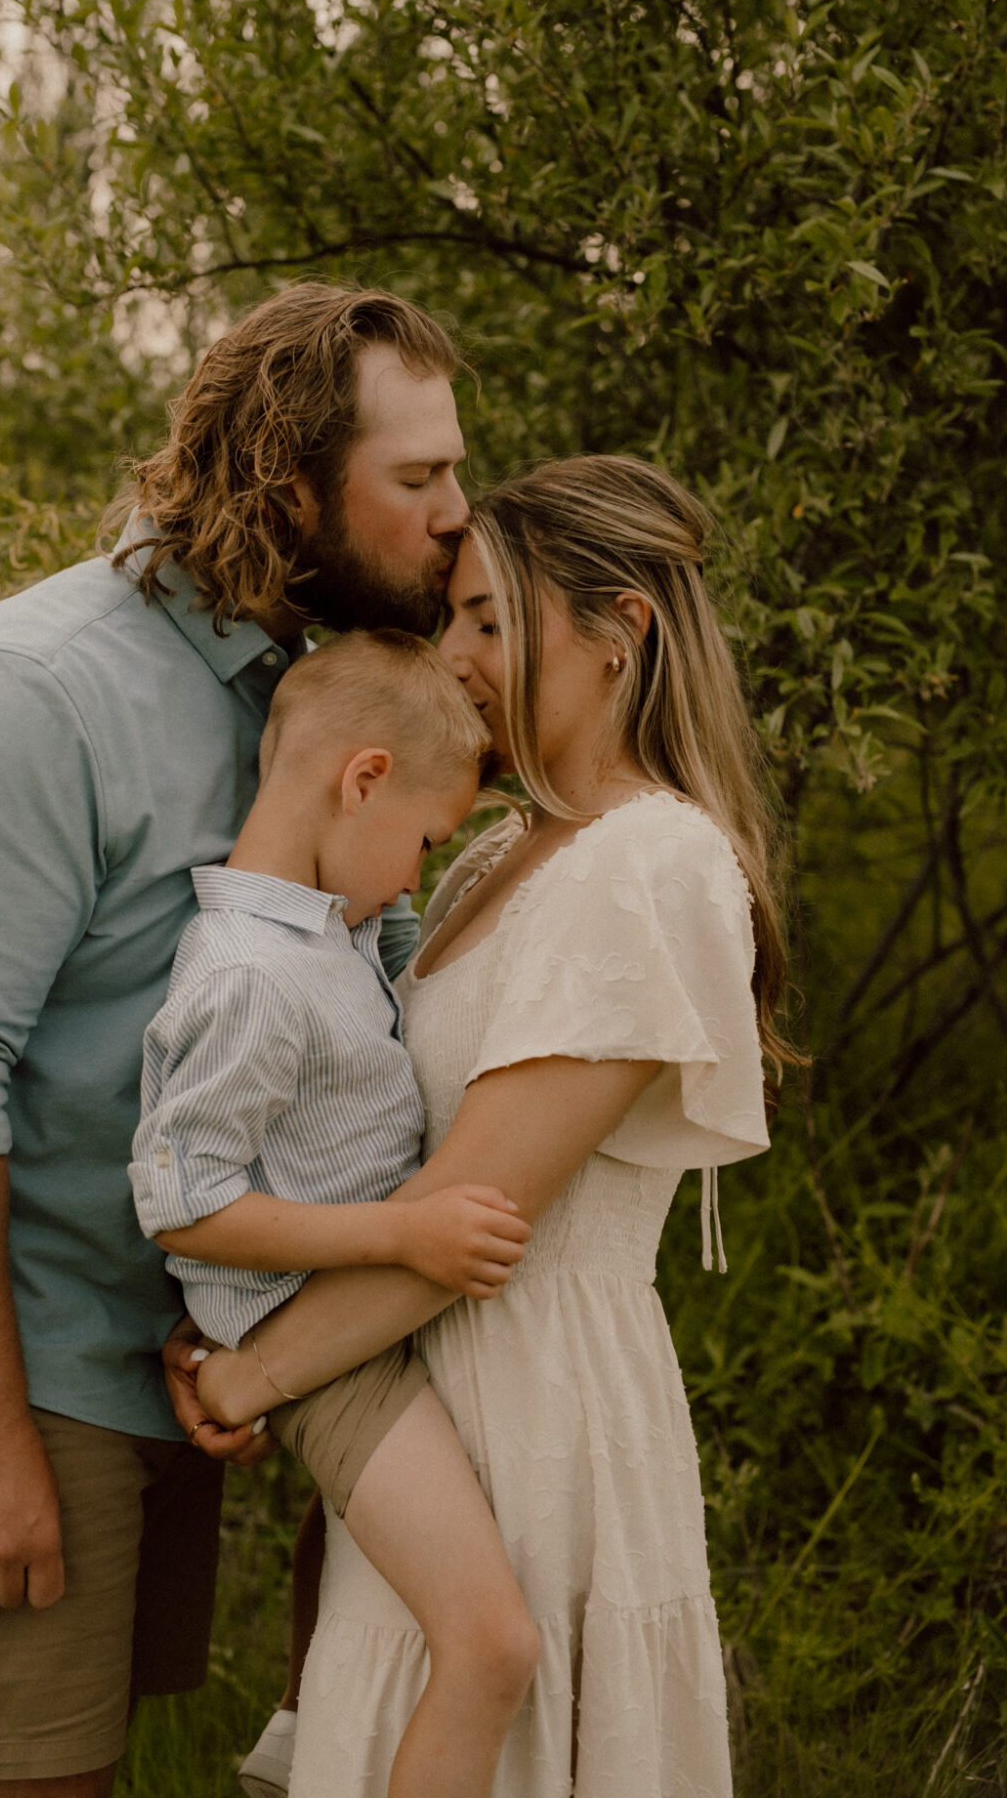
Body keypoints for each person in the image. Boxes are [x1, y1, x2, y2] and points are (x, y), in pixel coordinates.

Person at [0, 283, 471, 1796]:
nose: (455, 515)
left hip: (161, 1359)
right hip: (7, 1369)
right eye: (417, 479)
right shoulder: (34, 694)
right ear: (293, 484)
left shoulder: (301, 692)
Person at [178, 452, 790, 1797]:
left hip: (542, 1414)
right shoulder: (492, 855)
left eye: (490, 620)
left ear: (621, 629)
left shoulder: (654, 861)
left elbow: (474, 1201)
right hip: (418, 1406)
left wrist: (250, 1375)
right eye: (451, 614)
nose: (451, 652)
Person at [130, 629, 539, 1798]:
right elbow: (182, 1201)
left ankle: (297, 1749)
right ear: (359, 780)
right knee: (490, 1638)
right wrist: (399, 1235)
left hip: (362, 1326)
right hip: (328, 1357)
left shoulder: (336, 930)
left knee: (404, 1634)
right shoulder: (250, 974)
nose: (416, 871)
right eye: (420, 840)